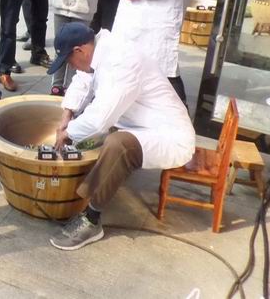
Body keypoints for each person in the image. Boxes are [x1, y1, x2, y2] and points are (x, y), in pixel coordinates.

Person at [47, 23, 195, 251]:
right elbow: (83, 79)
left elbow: (100, 119)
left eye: (69, 60)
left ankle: (91, 219)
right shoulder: (99, 51)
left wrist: (68, 134)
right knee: (92, 134)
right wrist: (67, 113)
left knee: (118, 145)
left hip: (169, 135)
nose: (70, 66)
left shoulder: (121, 61)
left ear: (80, 50)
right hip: (140, 124)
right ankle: (100, 181)